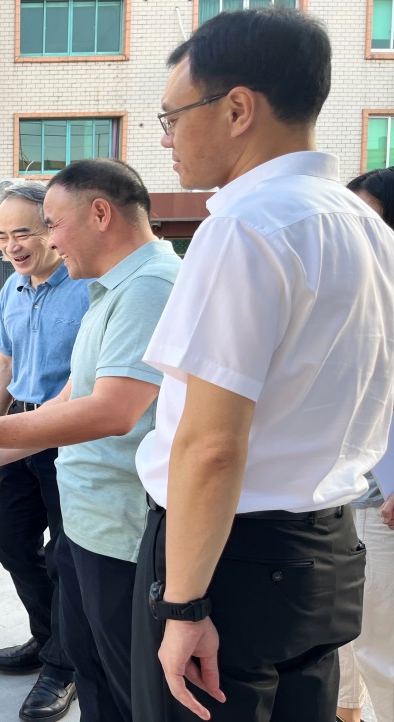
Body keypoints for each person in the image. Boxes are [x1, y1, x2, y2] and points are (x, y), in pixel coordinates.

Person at [131, 10, 394, 722]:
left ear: (238, 108)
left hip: (230, 560)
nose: (166, 138)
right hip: (327, 547)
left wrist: (184, 604)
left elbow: (211, 444)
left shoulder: (245, 227)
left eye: (172, 116)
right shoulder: (369, 229)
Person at [0, 159, 181, 722]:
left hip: (123, 522)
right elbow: (70, 395)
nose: (44, 240)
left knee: (125, 684)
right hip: (89, 508)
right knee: (92, 659)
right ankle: (55, 651)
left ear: (100, 214)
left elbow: (112, 411)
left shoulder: (149, 288)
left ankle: (58, 664)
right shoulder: (110, 287)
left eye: (49, 224)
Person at [0, 182, 89, 721]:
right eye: (2, 236)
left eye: (22, 231)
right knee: (13, 544)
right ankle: (48, 637)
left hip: (69, 435)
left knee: (66, 557)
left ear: (52, 226)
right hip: (18, 434)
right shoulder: (13, 289)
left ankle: (65, 665)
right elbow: (4, 362)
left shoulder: (87, 285)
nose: (12, 246)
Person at [337, 166, 394, 722]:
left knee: (382, 647)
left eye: (368, 219)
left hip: (384, 504)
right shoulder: (358, 292)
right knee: (341, 639)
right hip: (339, 493)